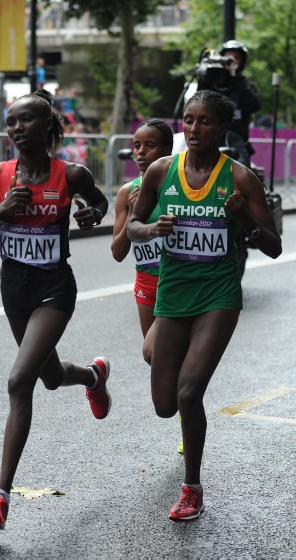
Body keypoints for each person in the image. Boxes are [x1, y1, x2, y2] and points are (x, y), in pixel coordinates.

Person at [128, 90, 282, 521]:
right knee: (164, 405)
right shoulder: (161, 171)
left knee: (189, 391)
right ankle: (186, 424)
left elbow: (274, 246)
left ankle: (192, 488)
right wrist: (152, 228)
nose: (194, 129)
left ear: (223, 128)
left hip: (218, 296)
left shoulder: (241, 178)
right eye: (188, 120)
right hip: (172, 294)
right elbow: (133, 227)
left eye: (205, 122)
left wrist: (245, 220)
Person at [0, 89, 112, 530]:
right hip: (14, 289)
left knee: (18, 382)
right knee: (49, 378)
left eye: (25, 120)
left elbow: (100, 204)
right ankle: (93, 375)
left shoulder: (72, 174)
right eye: (11, 122)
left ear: (48, 124)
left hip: (54, 289)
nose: (15, 129)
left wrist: (91, 214)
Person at [110, 119, 182, 453]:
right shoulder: (127, 192)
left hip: (176, 281)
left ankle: (189, 406)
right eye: (136, 146)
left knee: (154, 350)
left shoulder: (178, 183)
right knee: (158, 360)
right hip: (145, 282)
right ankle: (189, 394)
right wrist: (134, 213)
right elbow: (118, 252)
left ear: (166, 150)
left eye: (149, 146)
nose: (140, 152)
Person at [196, 40, 260, 168]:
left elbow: (255, 106)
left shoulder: (244, 84)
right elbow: (198, 102)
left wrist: (236, 78)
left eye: (236, 58)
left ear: (241, 63)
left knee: (242, 172)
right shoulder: (210, 82)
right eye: (228, 56)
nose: (231, 60)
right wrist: (205, 76)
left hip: (237, 142)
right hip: (210, 140)